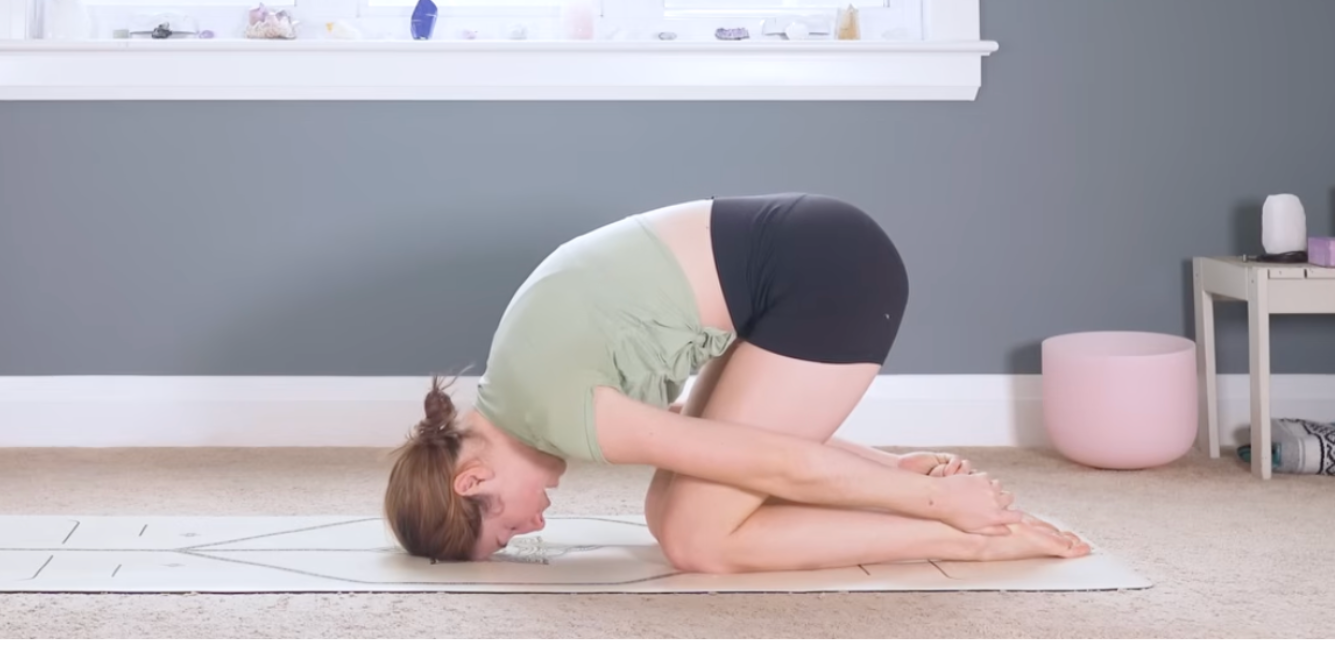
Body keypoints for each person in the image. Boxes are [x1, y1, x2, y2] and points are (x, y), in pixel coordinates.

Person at [383, 193, 1091, 572]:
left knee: (695, 539)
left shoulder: (557, 411)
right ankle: (925, 502)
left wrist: (939, 500)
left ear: (471, 483)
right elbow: (720, 435)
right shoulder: (520, 388)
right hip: (803, 261)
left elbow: (766, 459)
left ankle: (968, 538)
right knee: (672, 508)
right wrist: (882, 465)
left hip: (825, 275)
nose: (536, 524)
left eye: (508, 530)